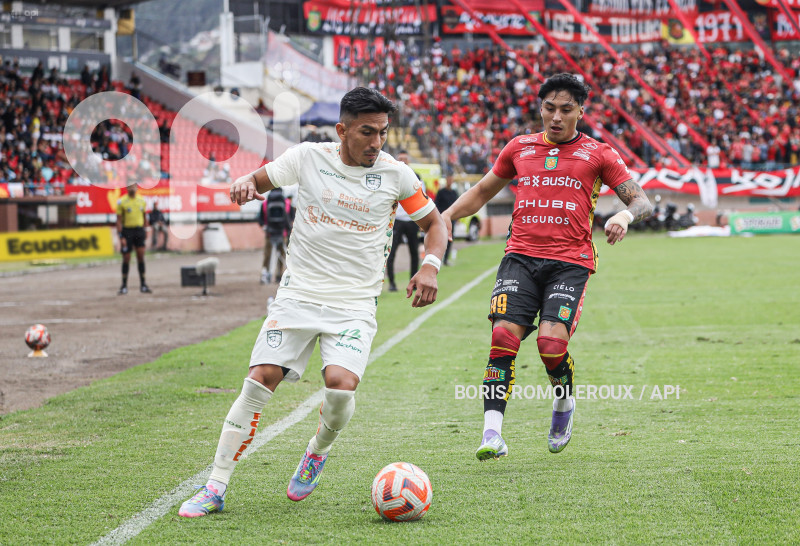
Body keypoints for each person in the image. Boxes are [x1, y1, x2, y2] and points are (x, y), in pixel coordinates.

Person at [179, 87, 448, 517]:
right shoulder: (307, 157)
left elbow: (434, 223)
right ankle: (215, 485)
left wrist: (430, 265)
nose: (376, 143)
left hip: (354, 304)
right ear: (342, 130)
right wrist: (246, 183)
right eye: (366, 132)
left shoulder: (396, 175)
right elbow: (259, 179)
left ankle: (316, 451)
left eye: (382, 132)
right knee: (259, 378)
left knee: (340, 387)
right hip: (298, 294)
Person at [441, 73, 652, 459]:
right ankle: (492, 434)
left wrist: (624, 216)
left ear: (580, 112)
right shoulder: (519, 147)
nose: (556, 117)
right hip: (519, 257)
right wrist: (447, 217)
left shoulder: (600, 153)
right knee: (502, 338)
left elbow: (642, 201)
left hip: (569, 262)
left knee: (551, 346)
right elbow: (482, 191)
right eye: (549, 108)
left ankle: (563, 404)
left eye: (566, 110)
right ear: (540, 108)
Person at [385, 149, 421, 292]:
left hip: (411, 220)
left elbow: (420, 199)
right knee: (391, 252)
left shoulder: (416, 176)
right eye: (400, 159)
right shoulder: (392, 176)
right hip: (397, 220)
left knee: (414, 252)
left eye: (405, 158)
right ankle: (392, 283)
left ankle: (413, 282)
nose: (403, 161)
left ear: (409, 160)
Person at [116, 184, 152, 294]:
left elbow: (144, 217)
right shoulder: (121, 202)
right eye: (130, 186)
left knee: (140, 256)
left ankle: (143, 284)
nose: (132, 188)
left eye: (134, 186)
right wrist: (121, 236)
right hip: (127, 232)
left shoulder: (142, 200)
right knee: (126, 258)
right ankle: (124, 285)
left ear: (137, 188)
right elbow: (118, 220)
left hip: (139, 231)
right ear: (126, 188)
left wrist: (146, 230)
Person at [259, 187, 291, 284]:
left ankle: (265, 274)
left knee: (267, 255)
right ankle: (279, 275)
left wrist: (265, 226)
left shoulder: (265, 203)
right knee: (282, 254)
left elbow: (260, 218)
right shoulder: (287, 203)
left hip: (269, 233)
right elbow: (290, 217)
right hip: (283, 233)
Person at [434, 175, 459, 265]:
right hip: (442, 219)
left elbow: (457, 205)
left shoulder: (454, 193)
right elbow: (436, 204)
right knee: (439, 239)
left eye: (451, 179)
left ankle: (445, 259)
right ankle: (437, 258)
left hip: (452, 219)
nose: (450, 181)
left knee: (450, 239)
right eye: (448, 179)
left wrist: (457, 217)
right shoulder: (441, 192)